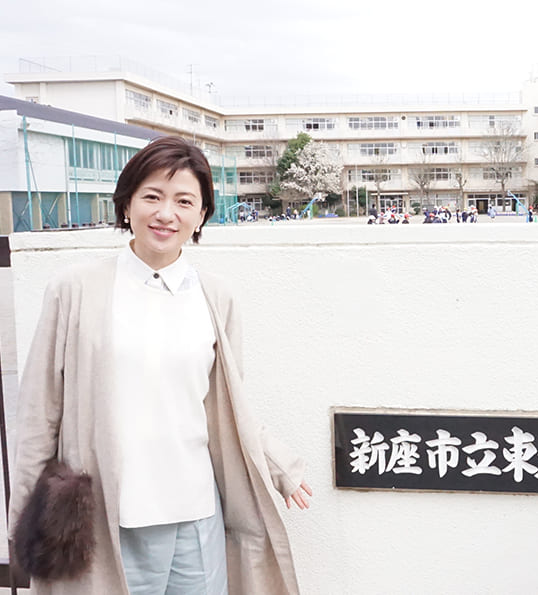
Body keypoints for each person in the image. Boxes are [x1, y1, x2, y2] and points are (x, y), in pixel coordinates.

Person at [9, 136, 312, 594]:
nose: (166, 213)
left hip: (196, 514)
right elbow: (39, 411)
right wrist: (24, 522)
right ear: (127, 204)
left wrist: (279, 465)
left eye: (184, 201)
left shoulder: (216, 296)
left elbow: (229, 405)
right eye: (152, 196)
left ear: (202, 215)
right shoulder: (74, 289)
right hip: (107, 516)